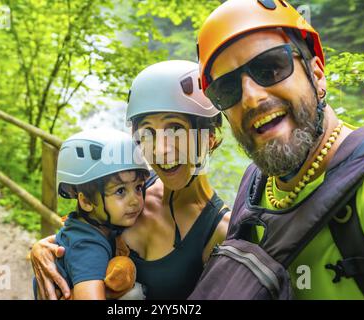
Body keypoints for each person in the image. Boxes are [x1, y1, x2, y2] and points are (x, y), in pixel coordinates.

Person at [196, 0, 364, 299]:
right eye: (227, 89)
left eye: (270, 67)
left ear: (317, 74)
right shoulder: (254, 185)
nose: (251, 98)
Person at [30, 60, 232, 300]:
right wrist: (42, 249)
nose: (159, 150)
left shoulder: (220, 231)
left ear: (208, 137)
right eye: (147, 132)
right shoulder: (135, 188)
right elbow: (81, 234)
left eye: (175, 129)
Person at [34, 128, 149, 300]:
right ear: (86, 201)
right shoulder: (87, 247)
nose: (135, 201)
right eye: (120, 191)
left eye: (138, 187)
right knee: (135, 294)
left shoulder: (92, 226)